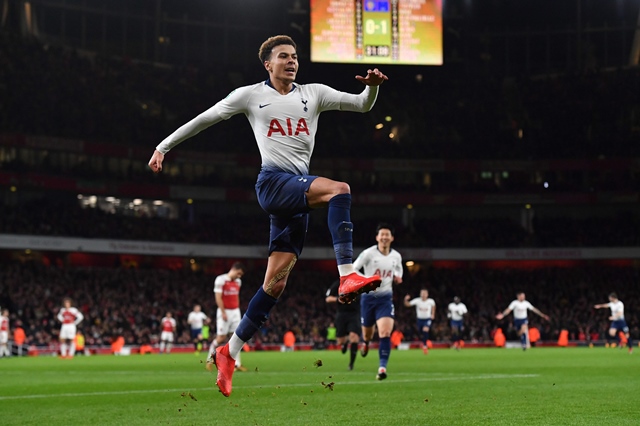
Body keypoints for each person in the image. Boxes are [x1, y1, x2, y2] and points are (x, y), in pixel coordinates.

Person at [148, 35, 387, 396]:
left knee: (274, 285)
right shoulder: (250, 95)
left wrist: (372, 90)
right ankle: (347, 274)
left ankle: (229, 353)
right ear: (267, 64)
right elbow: (205, 118)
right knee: (340, 189)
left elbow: (362, 105)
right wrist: (163, 146)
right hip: (274, 183)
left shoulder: (315, 93)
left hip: (295, 196)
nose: (291, 62)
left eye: (294, 57)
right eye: (283, 57)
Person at [355, 223, 403, 380]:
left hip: (385, 298)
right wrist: (367, 280)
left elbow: (398, 271)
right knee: (367, 334)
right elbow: (354, 268)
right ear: (377, 237)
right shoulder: (368, 254)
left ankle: (382, 367)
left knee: (385, 332)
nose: (384, 237)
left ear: (392, 238)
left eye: (387, 234)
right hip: (368, 298)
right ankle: (366, 342)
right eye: (381, 234)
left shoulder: (396, 256)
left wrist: (397, 277)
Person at [206, 262, 247, 372]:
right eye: (238, 273)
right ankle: (209, 360)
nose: (239, 276)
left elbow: (236, 296)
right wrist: (223, 312)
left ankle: (237, 365)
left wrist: (237, 310)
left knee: (237, 338)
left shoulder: (238, 282)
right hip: (224, 311)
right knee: (221, 338)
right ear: (234, 269)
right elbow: (218, 297)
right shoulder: (221, 279)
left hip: (235, 311)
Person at [326, 279, 361, 370]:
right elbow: (328, 298)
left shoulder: (358, 283)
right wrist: (338, 299)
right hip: (341, 314)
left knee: (354, 337)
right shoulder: (337, 284)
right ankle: (344, 343)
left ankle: (351, 364)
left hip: (354, 314)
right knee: (340, 340)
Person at [404, 289, 436, 354]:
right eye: (422, 293)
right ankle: (424, 342)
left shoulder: (431, 301)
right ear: (420, 294)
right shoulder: (417, 300)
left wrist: (433, 314)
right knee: (421, 332)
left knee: (425, 330)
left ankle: (425, 346)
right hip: (419, 319)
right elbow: (408, 305)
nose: (423, 295)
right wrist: (405, 300)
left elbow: (433, 306)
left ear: (427, 294)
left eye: (425, 294)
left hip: (427, 319)